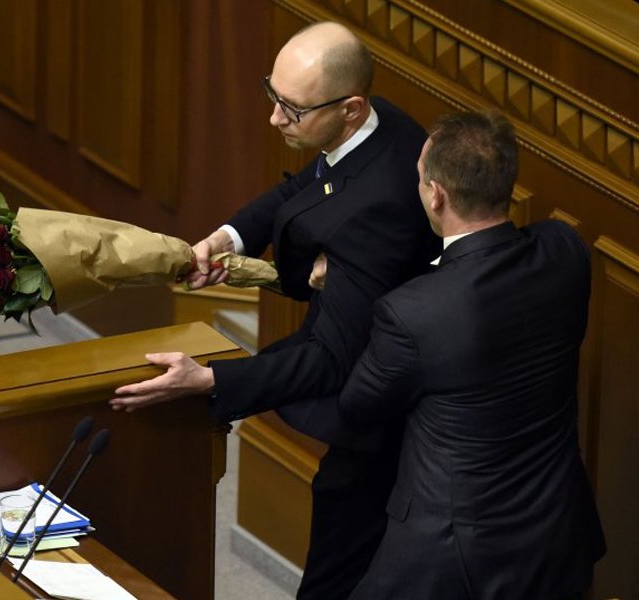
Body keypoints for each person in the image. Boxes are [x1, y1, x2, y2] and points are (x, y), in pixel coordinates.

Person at [111, 20, 439, 600]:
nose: (274, 118)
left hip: (388, 421)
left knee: (339, 563)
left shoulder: (379, 209)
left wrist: (210, 380)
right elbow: (302, 191)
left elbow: (332, 358)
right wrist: (227, 238)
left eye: (292, 109)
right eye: (273, 95)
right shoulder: (374, 123)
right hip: (375, 373)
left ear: (351, 108)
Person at [328, 110, 605, 598]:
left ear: (436, 194)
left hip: (449, 557)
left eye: (420, 178)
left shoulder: (412, 312)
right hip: (555, 532)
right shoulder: (565, 251)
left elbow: (358, 406)